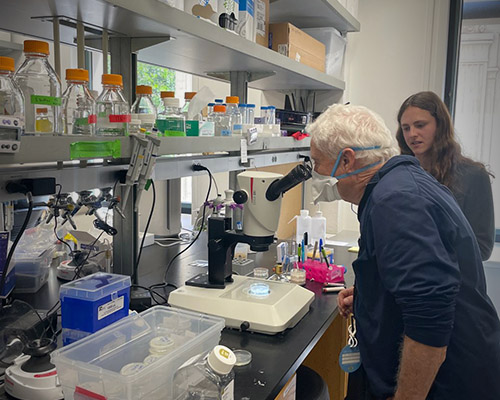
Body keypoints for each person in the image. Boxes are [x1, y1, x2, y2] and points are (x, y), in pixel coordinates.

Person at [308, 103, 500, 400]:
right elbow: (420, 277)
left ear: (346, 161)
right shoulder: (397, 184)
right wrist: (370, 295)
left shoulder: (396, 201)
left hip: (446, 383)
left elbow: (429, 312)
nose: (316, 173)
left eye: (317, 162)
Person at [396, 91, 495, 260]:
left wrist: (422, 250)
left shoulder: (473, 175)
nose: (412, 134)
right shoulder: (400, 174)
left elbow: (482, 248)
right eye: (406, 128)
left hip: (451, 283)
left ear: (440, 126)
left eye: (420, 125)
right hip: (405, 278)